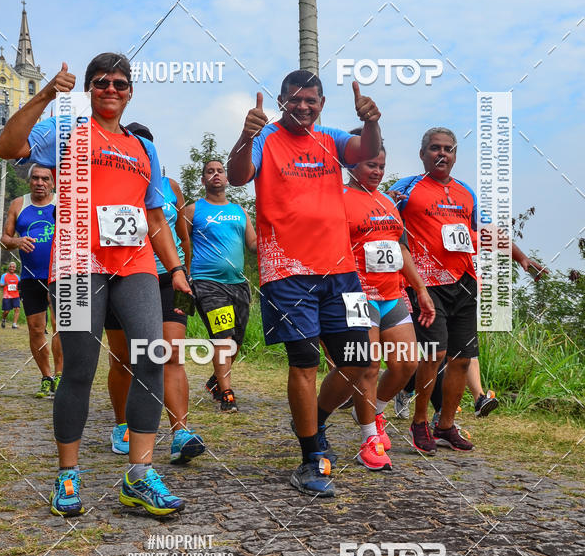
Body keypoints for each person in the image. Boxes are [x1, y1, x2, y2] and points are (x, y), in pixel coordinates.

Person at [0, 54, 192, 518]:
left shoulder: (144, 147)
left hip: (137, 264)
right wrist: (45, 94)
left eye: (120, 83)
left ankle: (139, 475)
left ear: (130, 91)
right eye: (101, 82)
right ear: (88, 89)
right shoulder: (65, 131)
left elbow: (156, 215)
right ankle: (68, 473)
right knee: (80, 368)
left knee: (151, 358)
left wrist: (176, 268)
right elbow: (6, 147)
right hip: (79, 265)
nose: (111, 89)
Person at [228, 71, 381, 498]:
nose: (302, 106)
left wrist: (370, 120)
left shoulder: (330, 139)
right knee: (304, 363)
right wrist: (244, 136)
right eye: (294, 100)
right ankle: (311, 457)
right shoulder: (265, 137)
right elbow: (240, 176)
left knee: (356, 362)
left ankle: (314, 418)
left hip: (340, 272)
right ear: (281, 101)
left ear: (321, 103)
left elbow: (367, 151)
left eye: (311, 100)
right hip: (287, 272)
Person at [390, 128, 543, 455]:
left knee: (462, 359)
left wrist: (522, 258)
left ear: (455, 155)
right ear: (422, 153)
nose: (441, 154)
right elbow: (378, 215)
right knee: (435, 355)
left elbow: (485, 231)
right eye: (434, 148)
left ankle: (445, 426)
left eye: (448, 149)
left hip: (465, 282)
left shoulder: (465, 192)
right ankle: (419, 422)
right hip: (427, 285)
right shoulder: (405, 188)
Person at [106, 121, 205, 465]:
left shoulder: (170, 187)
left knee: (170, 354)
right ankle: (122, 425)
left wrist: (184, 271)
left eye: (148, 147)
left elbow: (181, 232)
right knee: (125, 359)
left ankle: (180, 433)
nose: (143, 153)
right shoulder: (113, 177)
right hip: (125, 276)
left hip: (169, 279)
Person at [342, 133, 436, 469]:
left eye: (382, 165)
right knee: (367, 365)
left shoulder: (388, 202)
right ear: (351, 163)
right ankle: (369, 439)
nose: (377, 171)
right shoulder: (338, 198)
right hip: (356, 295)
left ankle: (374, 412)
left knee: (406, 363)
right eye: (370, 164)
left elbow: (400, 248)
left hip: (393, 293)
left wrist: (421, 289)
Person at [184, 159, 256, 413]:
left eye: (220, 171)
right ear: (203, 180)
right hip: (207, 283)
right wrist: (182, 275)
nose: (216, 174)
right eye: (210, 172)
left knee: (235, 342)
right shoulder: (193, 210)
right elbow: (182, 244)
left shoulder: (239, 211)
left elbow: (254, 245)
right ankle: (227, 394)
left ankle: (216, 381)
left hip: (238, 285)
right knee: (223, 338)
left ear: (227, 178)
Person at [1, 164, 63, 398]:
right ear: (30, 181)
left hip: (60, 274)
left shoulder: (62, 202)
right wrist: (17, 242)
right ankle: (46, 377)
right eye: (35, 178)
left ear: (52, 182)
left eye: (45, 179)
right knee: (36, 330)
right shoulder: (19, 204)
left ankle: (60, 375)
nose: (40, 183)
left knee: (60, 327)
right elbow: (5, 238)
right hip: (30, 277)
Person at [0, 262, 20, 329]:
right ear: (8, 268)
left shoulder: (17, 276)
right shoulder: (4, 275)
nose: (12, 268)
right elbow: (1, 285)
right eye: (11, 267)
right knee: (6, 311)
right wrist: (5, 284)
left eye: (13, 267)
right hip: (7, 296)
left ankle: (14, 324)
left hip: (16, 295)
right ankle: (3, 319)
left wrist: (18, 287)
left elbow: (19, 285)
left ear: (15, 268)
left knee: (17, 309)